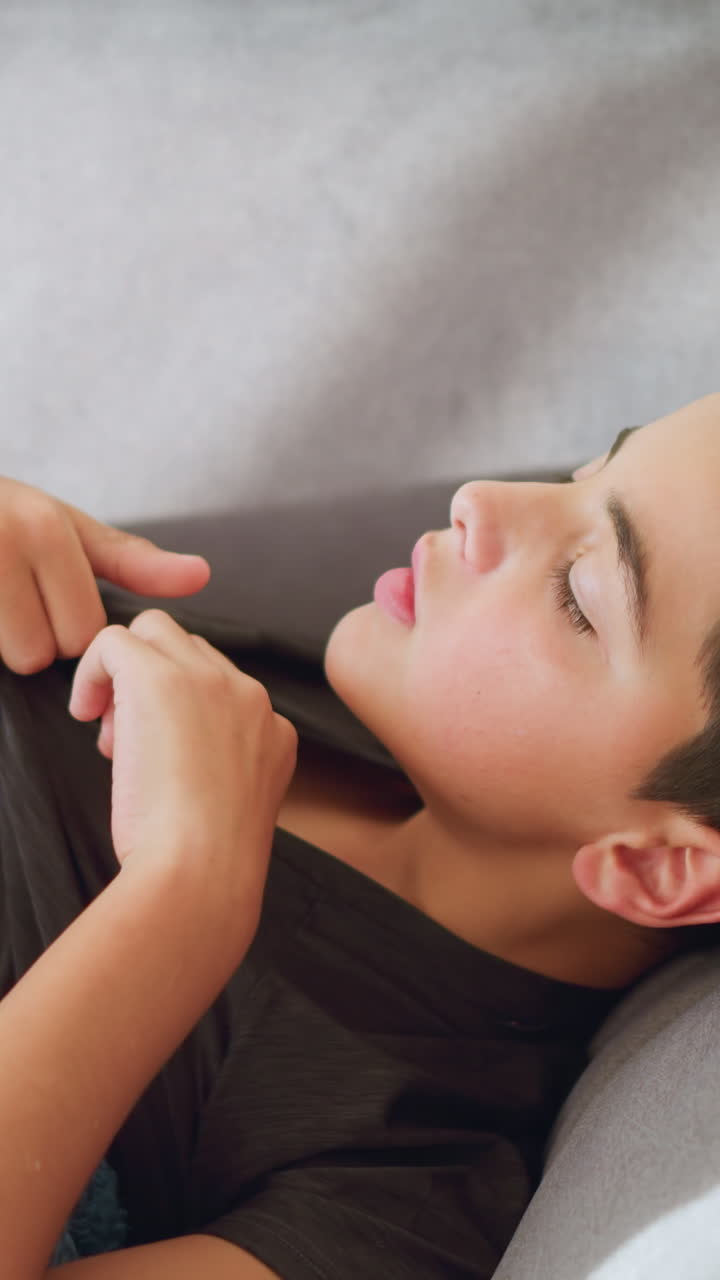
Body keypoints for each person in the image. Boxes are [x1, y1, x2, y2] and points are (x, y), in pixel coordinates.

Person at [3, 392, 720, 1277]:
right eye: (589, 471)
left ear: (661, 866)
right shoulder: (343, 709)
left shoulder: (407, 1187)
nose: (484, 498)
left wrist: (186, 888)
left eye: (579, 594)